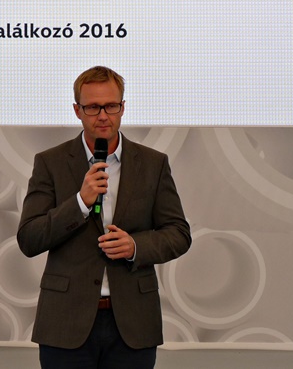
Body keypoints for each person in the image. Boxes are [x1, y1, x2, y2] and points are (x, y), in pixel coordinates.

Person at [18, 66, 191, 369]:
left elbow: (178, 233)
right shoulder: (50, 162)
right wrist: (80, 203)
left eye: (111, 106)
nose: (102, 115)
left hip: (133, 322)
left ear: (123, 107)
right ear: (77, 110)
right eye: (93, 107)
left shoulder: (153, 164)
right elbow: (29, 239)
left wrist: (135, 246)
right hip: (65, 321)